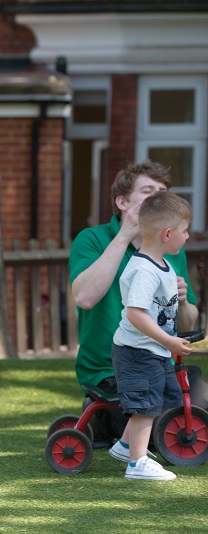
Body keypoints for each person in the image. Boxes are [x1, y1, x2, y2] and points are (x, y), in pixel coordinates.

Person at [69, 160, 203, 448]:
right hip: (110, 370)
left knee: (196, 417)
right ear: (122, 202)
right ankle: (101, 416)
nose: (156, 197)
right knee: (164, 434)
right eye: (147, 191)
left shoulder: (171, 249)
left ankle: (108, 421)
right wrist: (125, 235)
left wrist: (180, 301)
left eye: (162, 192)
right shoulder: (92, 239)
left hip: (160, 363)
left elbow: (187, 322)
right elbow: (85, 298)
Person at [110, 191, 194, 480]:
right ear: (168, 234)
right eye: (184, 231)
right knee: (144, 404)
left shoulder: (163, 266)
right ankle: (136, 463)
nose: (188, 236)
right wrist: (168, 340)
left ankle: (124, 446)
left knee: (156, 399)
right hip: (137, 350)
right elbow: (135, 313)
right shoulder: (145, 270)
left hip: (152, 349)